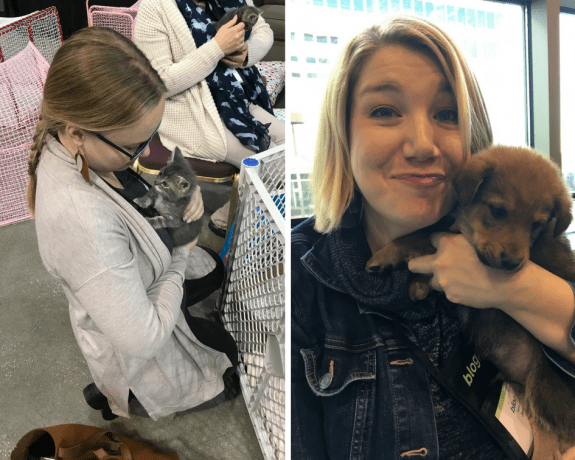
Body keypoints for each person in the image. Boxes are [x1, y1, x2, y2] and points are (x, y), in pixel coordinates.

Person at [291, 17, 575, 459]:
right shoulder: (299, 285)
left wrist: (522, 291)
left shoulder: (536, 254)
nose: (421, 145)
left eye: (447, 114)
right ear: (342, 131)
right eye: (384, 110)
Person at [27, 26, 239, 421]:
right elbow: (143, 341)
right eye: (134, 147)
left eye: (151, 138)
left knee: (213, 271)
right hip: (138, 340)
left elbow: (128, 194)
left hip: (145, 267)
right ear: (78, 134)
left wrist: (175, 195)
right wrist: (181, 253)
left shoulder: (74, 144)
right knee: (230, 364)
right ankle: (117, 397)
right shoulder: (82, 222)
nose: (143, 154)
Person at [134, 0, 285, 238]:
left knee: (295, 147)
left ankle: (229, 214)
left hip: (236, 101)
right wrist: (217, 48)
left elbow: (263, 29)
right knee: (278, 165)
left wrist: (247, 52)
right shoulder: (155, 7)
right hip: (191, 115)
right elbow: (159, 83)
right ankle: (232, 220)